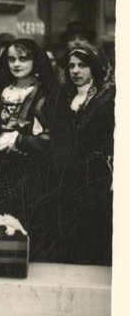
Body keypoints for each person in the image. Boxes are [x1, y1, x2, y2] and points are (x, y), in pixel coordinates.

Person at [40, 46, 114, 265]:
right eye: (71, 65)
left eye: (83, 65)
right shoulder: (65, 95)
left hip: (95, 171)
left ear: (95, 67)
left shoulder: (107, 98)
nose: (75, 71)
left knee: (92, 229)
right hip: (68, 171)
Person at [0, 39, 55, 253]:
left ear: (35, 60)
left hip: (31, 166)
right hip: (2, 163)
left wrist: (19, 139)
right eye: (12, 59)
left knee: (26, 214)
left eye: (23, 58)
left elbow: (50, 138)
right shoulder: (3, 90)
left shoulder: (44, 93)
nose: (16, 64)